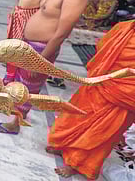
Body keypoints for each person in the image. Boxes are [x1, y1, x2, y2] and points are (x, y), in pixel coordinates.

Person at [0, 0, 92, 135]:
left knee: (29, 88)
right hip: (30, 45)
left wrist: (40, 62)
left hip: (41, 49)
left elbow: (62, 33)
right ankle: (12, 110)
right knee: (21, 83)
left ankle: (15, 124)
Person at [46, 20, 135, 179]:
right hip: (102, 79)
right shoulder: (125, 27)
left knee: (102, 131)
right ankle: (63, 146)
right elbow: (103, 46)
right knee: (77, 115)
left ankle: (77, 164)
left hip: (126, 92)